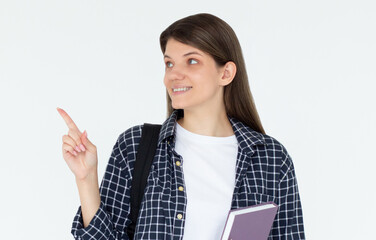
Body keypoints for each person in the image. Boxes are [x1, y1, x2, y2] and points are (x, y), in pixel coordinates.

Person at [58, 13, 305, 240]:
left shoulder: (271, 158)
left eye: (192, 61)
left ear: (226, 73)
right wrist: (86, 178)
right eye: (169, 63)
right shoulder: (136, 146)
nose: (174, 74)